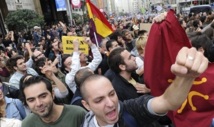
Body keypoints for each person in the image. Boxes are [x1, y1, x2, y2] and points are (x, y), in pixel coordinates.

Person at [80, 47, 208, 127]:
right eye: (99, 100)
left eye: (112, 94)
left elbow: (167, 101)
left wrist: (186, 77)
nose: (110, 103)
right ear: (86, 105)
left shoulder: (129, 110)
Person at [19, 75, 86, 127]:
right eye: (31, 100)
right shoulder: (28, 124)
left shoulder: (78, 114)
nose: (38, 103)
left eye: (43, 96)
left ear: (52, 94)